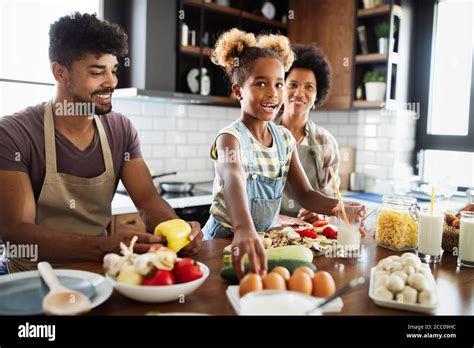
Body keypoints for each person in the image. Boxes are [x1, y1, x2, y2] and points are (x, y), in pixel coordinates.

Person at [0, 13, 203, 273]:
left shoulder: (121, 130)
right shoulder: (14, 133)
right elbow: (16, 233)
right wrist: (102, 246)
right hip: (32, 278)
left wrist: (179, 229)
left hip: (101, 274)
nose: (112, 82)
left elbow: (149, 201)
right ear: (59, 72)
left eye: (114, 71)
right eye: (97, 72)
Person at [202, 29, 343, 279]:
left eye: (278, 84)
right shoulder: (230, 139)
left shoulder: (284, 140)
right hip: (222, 242)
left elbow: (306, 194)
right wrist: (243, 229)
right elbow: (233, 177)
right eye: (260, 83)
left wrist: (341, 207)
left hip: (260, 242)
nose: (272, 93)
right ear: (238, 91)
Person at [274, 43, 340, 224]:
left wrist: (321, 214)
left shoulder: (326, 143)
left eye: (309, 87)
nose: (299, 93)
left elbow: (331, 196)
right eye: (293, 84)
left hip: (310, 235)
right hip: (267, 231)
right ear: (281, 88)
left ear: (318, 94)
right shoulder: (262, 134)